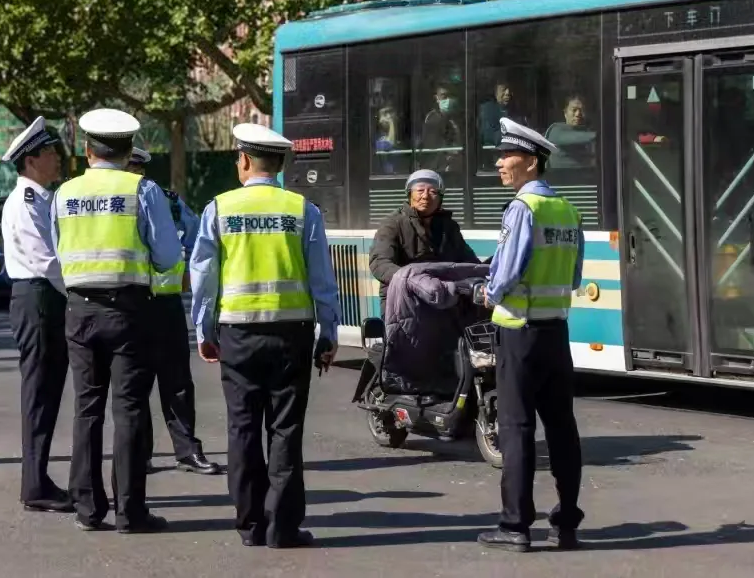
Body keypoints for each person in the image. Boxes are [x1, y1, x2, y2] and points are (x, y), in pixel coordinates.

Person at [189, 123, 341, 549]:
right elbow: (322, 280)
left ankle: (249, 526)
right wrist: (328, 333)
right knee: (286, 431)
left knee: (242, 430)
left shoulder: (219, 208)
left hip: (237, 334)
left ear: (243, 160)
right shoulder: (301, 210)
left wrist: (203, 329)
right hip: (291, 334)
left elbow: (204, 278)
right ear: (278, 165)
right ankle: (283, 529)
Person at [51, 109, 183, 534]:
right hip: (130, 310)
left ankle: (88, 510)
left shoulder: (64, 193)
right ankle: (131, 512)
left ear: (87, 150)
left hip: (79, 309)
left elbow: (58, 251)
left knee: (86, 409)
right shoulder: (143, 190)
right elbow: (167, 256)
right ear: (129, 152)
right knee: (128, 409)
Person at [477, 117, 586, 554]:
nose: (500, 163)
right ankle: (567, 522)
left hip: (518, 334)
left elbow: (506, 273)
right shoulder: (567, 210)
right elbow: (575, 277)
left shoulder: (523, 208)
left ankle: (515, 526)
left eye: (507, 156)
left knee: (517, 428)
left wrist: (487, 292)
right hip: (556, 333)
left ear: (531, 162)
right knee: (562, 428)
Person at [125, 147, 221, 476]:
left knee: (178, 382)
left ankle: (187, 452)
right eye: (129, 168)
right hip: (128, 304)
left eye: (139, 169)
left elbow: (198, 240)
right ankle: (138, 454)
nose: (135, 175)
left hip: (165, 304)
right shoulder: (111, 204)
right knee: (134, 385)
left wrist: (186, 273)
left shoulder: (168, 202)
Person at [0, 117, 71, 513]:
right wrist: (78, 294)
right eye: (49, 153)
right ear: (30, 160)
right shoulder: (26, 203)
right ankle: (35, 485)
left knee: (47, 393)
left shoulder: (44, 199)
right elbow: (47, 262)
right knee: (39, 394)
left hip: (46, 298)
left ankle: (39, 479)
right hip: (39, 298)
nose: (57, 159)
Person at [368, 169, 479, 314]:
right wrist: (413, 281)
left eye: (433, 192)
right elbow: (379, 262)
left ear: (440, 198)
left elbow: (468, 261)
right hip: (403, 304)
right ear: (410, 194)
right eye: (420, 190)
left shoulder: (449, 227)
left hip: (443, 302)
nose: (425, 196)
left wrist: (482, 275)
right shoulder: (393, 224)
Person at [544, 95, 597, 169]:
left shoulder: (587, 131)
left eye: (582, 110)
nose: (578, 114)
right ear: (565, 113)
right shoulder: (556, 130)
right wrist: (601, 135)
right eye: (574, 110)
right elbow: (574, 137)